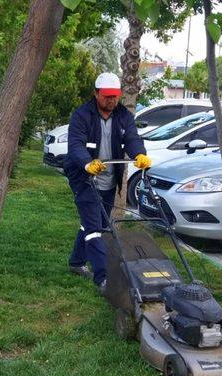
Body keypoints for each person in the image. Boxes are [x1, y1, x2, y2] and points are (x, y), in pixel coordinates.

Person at [63, 72, 152, 289]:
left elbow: (132, 138)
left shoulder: (124, 116)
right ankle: (104, 278)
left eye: (115, 96)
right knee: (96, 228)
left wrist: (139, 154)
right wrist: (87, 163)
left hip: (110, 179)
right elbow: (75, 145)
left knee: (96, 223)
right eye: (106, 96)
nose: (111, 100)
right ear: (96, 94)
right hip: (84, 178)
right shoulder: (82, 115)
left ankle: (76, 262)